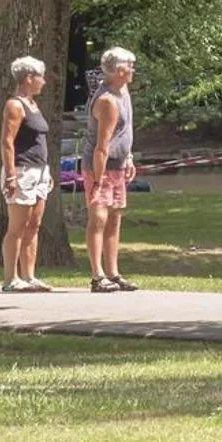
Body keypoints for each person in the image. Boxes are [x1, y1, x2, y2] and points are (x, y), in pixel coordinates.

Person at [82, 47, 139, 293]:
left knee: (115, 218)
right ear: (118, 70)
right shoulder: (107, 101)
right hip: (100, 166)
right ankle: (97, 276)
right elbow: (101, 146)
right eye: (130, 65)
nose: (133, 69)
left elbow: (125, 131)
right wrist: (97, 179)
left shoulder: (123, 91)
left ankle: (113, 273)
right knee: (99, 219)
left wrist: (128, 157)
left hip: (118, 164)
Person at [0, 56, 56, 293]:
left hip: (40, 170)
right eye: (40, 77)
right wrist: (11, 175)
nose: (44, 81)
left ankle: (29, 276)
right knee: (17, 227)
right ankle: (10, 279)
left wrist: (46, 170)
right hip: (22, 170)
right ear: (29, 78)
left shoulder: (33, 104)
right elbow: (7, 142)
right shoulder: (15, 105)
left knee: (34, 224)